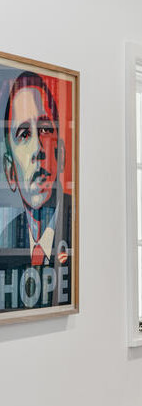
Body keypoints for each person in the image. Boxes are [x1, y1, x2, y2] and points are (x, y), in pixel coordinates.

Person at [1, 71, 73, 310]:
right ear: (10, 171)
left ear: (60, 154)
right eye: (24, 134)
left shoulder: (79, 225)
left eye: (44, 129)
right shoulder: (7, 238)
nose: (38, 149)